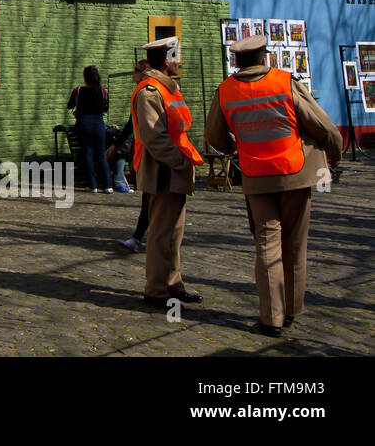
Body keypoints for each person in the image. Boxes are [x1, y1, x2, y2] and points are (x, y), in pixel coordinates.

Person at [205, 34, 342, 338]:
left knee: (266, 244)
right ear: (264, 57)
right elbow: (324, 126)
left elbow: (214, 137)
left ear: (236, 62)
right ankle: (292, 308)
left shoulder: (225, 91)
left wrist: (234, 147)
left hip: (256, 178)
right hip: (295, 174)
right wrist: (333, 155)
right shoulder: (284, 82)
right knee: (294, 244)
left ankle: (271, 318)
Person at [132, 37, 204, 310]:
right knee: (161, 233)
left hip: (174, 170)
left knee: (174, 233)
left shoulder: (167, 88)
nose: (179, 61)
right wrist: (180, 162)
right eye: (176, 56)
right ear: (166, 60)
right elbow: (155, 139)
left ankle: (173, 284)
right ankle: (156, 291)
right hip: (164, 170)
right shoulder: (150, 91)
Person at [113, 60, 152, 250]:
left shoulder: (146, 93)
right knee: (150, 199)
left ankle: (139, 237)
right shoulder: (142, 93)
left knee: (152, 200)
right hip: (147, 154)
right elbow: (131, 124)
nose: (132, 74)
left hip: (154, 155)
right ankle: (139, 237)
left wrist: (115, 146)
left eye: (135, 71)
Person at [67, 66, 112, 193]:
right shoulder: (102, 91)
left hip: (84, 122)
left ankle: (93, 185)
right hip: (98, 123)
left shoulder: (78, 90)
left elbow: (69, 105)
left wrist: (78, 109)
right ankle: (108, 185)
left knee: (88, 152)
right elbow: (105, 108)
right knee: (101, 154)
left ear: (85, 77)